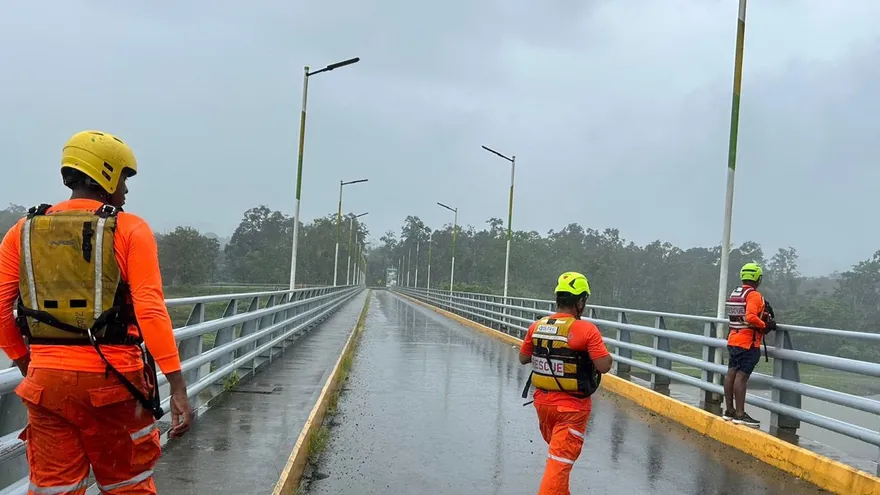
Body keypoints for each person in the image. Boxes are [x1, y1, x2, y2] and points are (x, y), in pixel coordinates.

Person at [0, 130, 193, 494]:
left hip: (45, 385)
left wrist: (26, 362)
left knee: (54, 488)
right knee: (127, 485)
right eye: (123, 177)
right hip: (113, 385)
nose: (126, 189)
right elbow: (151, 309)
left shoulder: (22, 231)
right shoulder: (129, 228)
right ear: (105, 174)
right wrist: (178, 386)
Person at [519, 271, 613, 495]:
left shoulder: (538, 326)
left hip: (543, 407)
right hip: (571, 410)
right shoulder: (585, 329)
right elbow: (604, 366)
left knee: (559, 460)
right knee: (558, 464)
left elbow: (523, 358)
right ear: (580, 302)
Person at [722, 262, 776, 428]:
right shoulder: (753, 295)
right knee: (741, 377)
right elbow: (750, 317)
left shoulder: (736, 292)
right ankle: (740, 414)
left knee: (731, 373)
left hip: (733, 339)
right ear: (758, 278)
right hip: (748, 343)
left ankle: (729, 411)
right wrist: (765, 326)